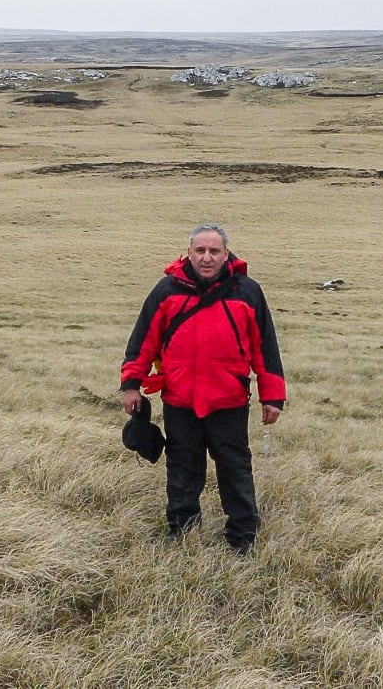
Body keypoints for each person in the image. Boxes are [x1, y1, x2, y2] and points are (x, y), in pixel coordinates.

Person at [119, 223, 286, 553]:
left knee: (235, 469)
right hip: (180, 400)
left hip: (229, 401)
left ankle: (242, 537)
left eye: (213, 251)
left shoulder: (247, 292)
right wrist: (130, 384)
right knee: (182, 467)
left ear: (226, 254)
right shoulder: (166, 291)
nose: (206, 257)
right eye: (200, 250)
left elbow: (265, 348)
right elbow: (142, 341)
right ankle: (182, 531)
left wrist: (273, 396)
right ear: (189, 253)